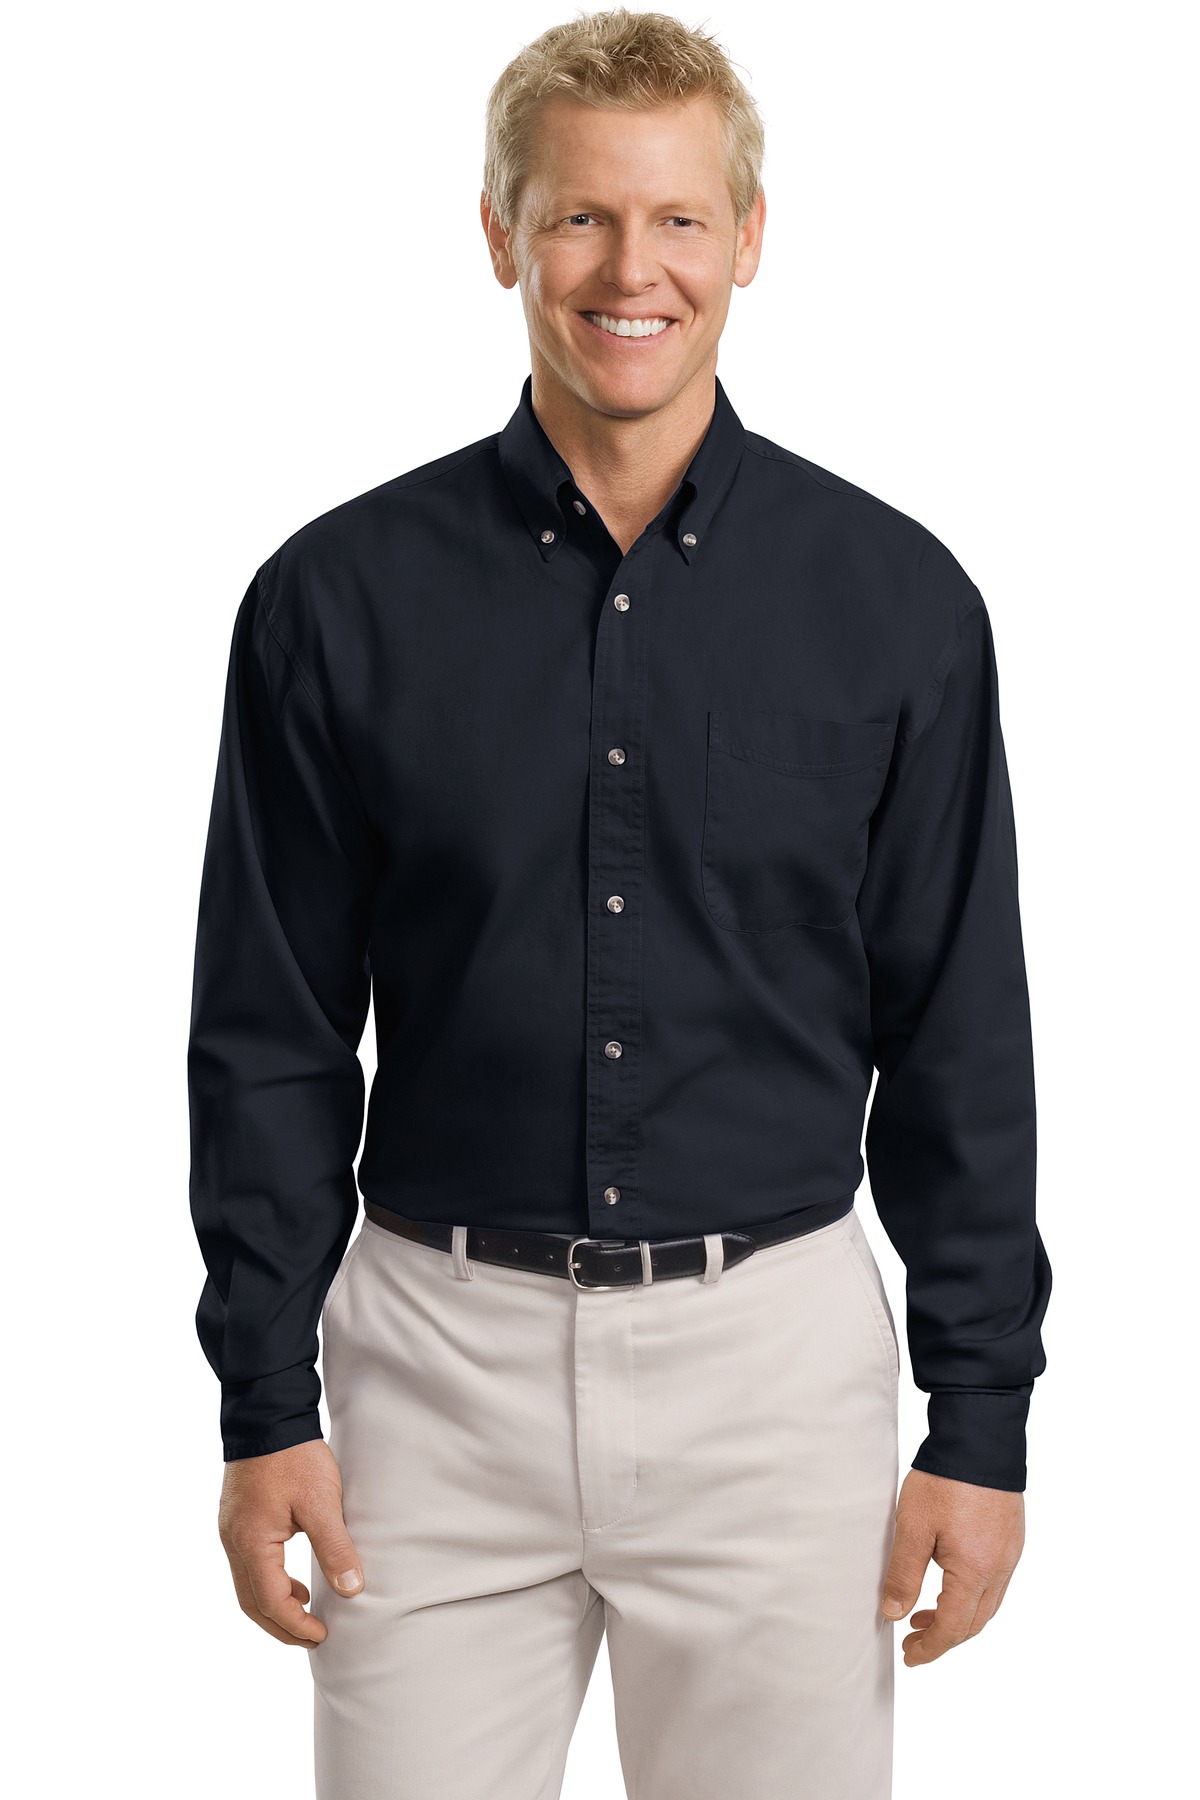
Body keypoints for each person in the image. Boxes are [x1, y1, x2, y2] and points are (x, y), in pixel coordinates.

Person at [188, 10, 1052, 1797]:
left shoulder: (899, 606)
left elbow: (959, 1037)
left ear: (751, 238)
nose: (628, 269)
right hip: (433, 1376)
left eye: (676, 220)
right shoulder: (333, 603)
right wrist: (264, 1400)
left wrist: (980, 1417)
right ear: (500, 233)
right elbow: (270, 1031)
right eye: (579, 216)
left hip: (773, 1380)